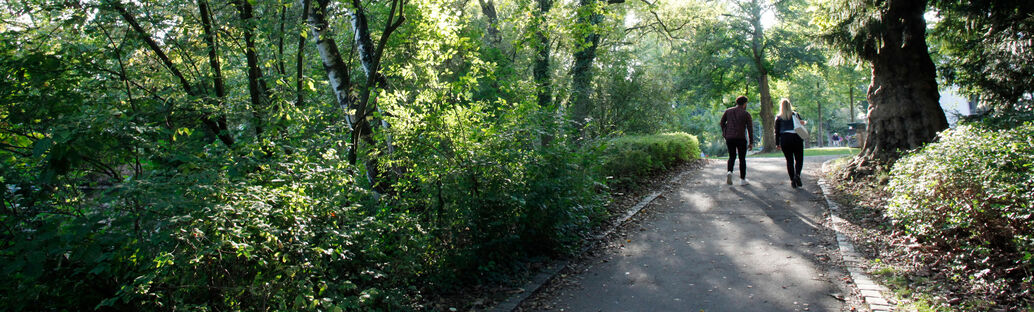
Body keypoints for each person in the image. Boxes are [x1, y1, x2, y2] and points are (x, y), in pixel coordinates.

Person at [720, 95, 755, 186]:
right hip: (741, 138)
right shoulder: (746, 114)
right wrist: (751, 142)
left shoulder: (728, 111)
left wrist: (725, 132)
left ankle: (729, 172)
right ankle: (742, 180)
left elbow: (722, 122)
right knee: (742, 158)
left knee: (732, 156)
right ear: (744, 104)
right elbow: (750, 129)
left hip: (730, 138)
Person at [774, 98, 806, 188]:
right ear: (790, 105)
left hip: (785, 139)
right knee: (799, 159)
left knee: (789, 161)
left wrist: (777, 143)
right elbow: (800, 125)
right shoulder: (795, 115)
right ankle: (798, 175)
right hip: (796, 138)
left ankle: (792, 180)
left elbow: (776, 132)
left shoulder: (778, 118)